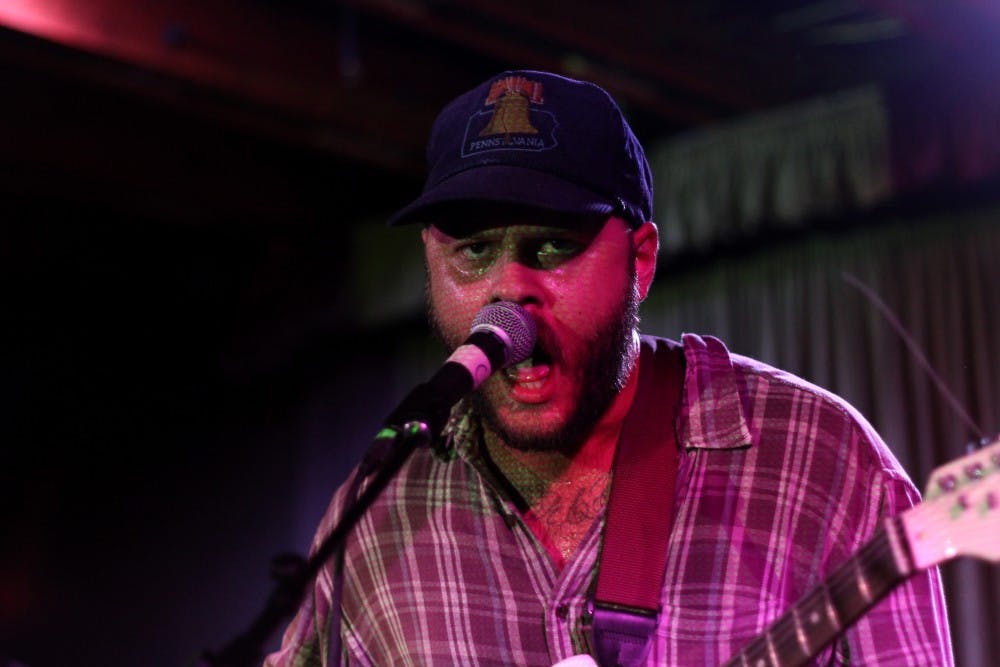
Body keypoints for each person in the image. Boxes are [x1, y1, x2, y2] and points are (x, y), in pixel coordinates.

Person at [265, 70, 953, 666]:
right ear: (429, 262)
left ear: (641, 261)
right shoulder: (381, 510)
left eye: (552, 246)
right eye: (473, 252)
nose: (510, 289)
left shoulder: (822, 463)